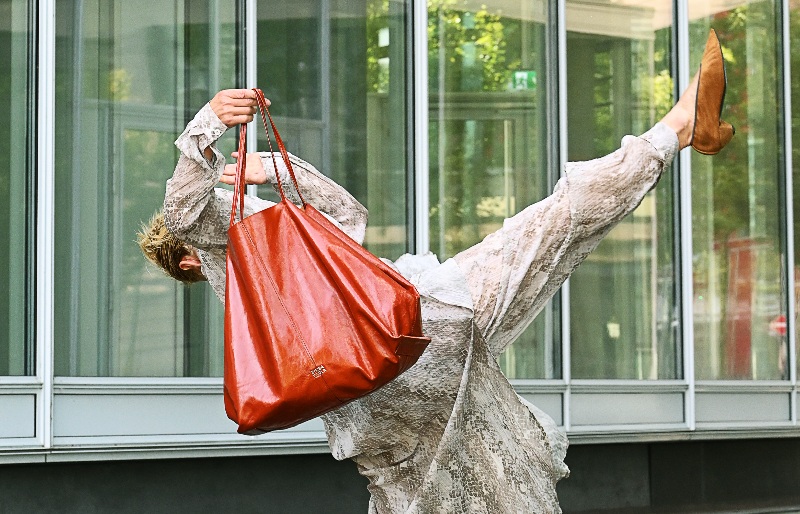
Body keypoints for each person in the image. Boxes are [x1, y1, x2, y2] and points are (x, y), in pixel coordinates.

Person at [138, 30, 732, 514]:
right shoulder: (218, 247)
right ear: (190, 259)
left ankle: (680, 130)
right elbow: (181, 205)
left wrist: (280, 168)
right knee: (547, 227)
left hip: (391, 387)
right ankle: (675, 131)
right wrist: (209, 123)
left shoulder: (267, 247)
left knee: (447, 490)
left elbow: (348, 220)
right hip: (413, 335)